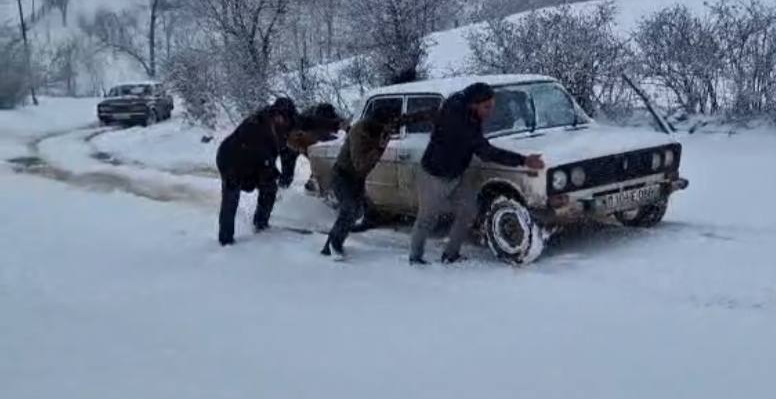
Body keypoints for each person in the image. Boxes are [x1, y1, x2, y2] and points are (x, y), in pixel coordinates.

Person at [410, 82, 545, 265]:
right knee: (427, 218)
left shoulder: (462, 104)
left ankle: (451, 254)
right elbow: (486, 152)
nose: (490, 111)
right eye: (487, 107)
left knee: (468, 210)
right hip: (434, 175)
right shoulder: (461, 123)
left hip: (456, 174)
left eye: (492, 106)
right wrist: (524, 160)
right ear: (474, 103)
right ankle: (415, 258)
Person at [322, 102, 433, 260]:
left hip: (357, 178)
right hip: (343, 175)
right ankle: (333, 245)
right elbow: (361, 166)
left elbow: (407, 119)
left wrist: (430, 112)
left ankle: (332, 243)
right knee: (350, 209)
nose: (391, 128)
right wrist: (379, 148)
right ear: (379, 123)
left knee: (356, 212)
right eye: (388, 125)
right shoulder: (360, 132)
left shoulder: (385, 125)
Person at [216, 98, 298, 246]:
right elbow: (264, 160)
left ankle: (261, 223)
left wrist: (286, 176)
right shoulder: (255, 126)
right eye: (283, 118)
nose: (285, 122)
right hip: (231, 159)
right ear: (276, 115)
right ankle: (226, 240)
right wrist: (275, 174)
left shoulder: (285, 125)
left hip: (255, 162)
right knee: (231, 196)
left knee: (269, 189)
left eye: (288, 119)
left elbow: (287, 152)